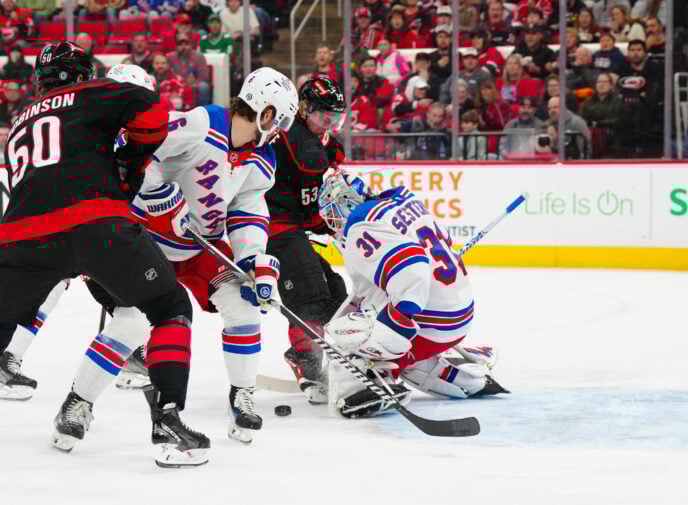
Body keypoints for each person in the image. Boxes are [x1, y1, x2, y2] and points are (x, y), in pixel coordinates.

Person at [0, 43, 207, 467]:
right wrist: (134, 154)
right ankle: (167, 421)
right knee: (169, 306)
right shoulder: (94, 92)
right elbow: (150, 107)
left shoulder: (19, 120)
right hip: (96, 227)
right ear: (83, 74)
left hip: (21, 238)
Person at [76, 66, 300, 446]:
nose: (279, 130)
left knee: (243, 309)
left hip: (199, 249)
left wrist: (253, 261)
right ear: (265, 112)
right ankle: (78, 403)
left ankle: (242, 395)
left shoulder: (263, 159)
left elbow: (247, 209)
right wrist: (163, 199)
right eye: (279, 120)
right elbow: (138, 152)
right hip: (149, 243)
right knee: (130, 323)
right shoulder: (202, 123)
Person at [317, 171, 508, 418]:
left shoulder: (361, 225)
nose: (332, 221)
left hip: (429, 318)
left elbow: (412, 266)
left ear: (346, 202)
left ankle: (366, 386)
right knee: (409, 361)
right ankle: (471, 381)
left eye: (332, 212)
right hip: (457, 316)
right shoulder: (402, 204)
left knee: (349, 337)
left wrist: (397, 322)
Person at [266, 77, 349, 403]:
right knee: (309, 292)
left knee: (336, 292)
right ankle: (305, 359)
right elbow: (309, 167)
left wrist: (331, 221)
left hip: (294, 228)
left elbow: (312, 198)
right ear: (304, 109)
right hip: (272, 227)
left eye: (335, 118)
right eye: (323, 116)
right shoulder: (288, 135)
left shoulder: (321, 141)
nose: (329, 124)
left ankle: (332, 359)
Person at [579, 72, 622, 158]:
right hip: (591, 137)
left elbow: (619, 119)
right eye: (599, 82)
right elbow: (580, 119)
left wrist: (598, 123)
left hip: (613, 138)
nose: (601, 84)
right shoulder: (588, 102)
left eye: (605, 82)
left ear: (611, 85)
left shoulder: (617, 100)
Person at [167, 32, 211, 107]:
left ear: (190, 45)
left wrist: (194, 82)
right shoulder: (171, 58)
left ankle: (203, 110)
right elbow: (168, 74)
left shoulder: (199, 56)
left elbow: (204, 76)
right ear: (176, 47)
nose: (184, 47)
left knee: (204, 86)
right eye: (180, 45)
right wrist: (179, 83)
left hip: (194, 84)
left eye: (186, 44)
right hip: (177, 84)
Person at [500, 95, 544, 159]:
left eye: (529, 108)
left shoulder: (540, 125)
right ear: (519, 108)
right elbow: (502, 146)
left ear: (534, 110)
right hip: (511, 160)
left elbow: (543, 149)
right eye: (523, 107)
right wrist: (507, 156)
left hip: (534, 162)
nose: (525, 111)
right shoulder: (511, 124)